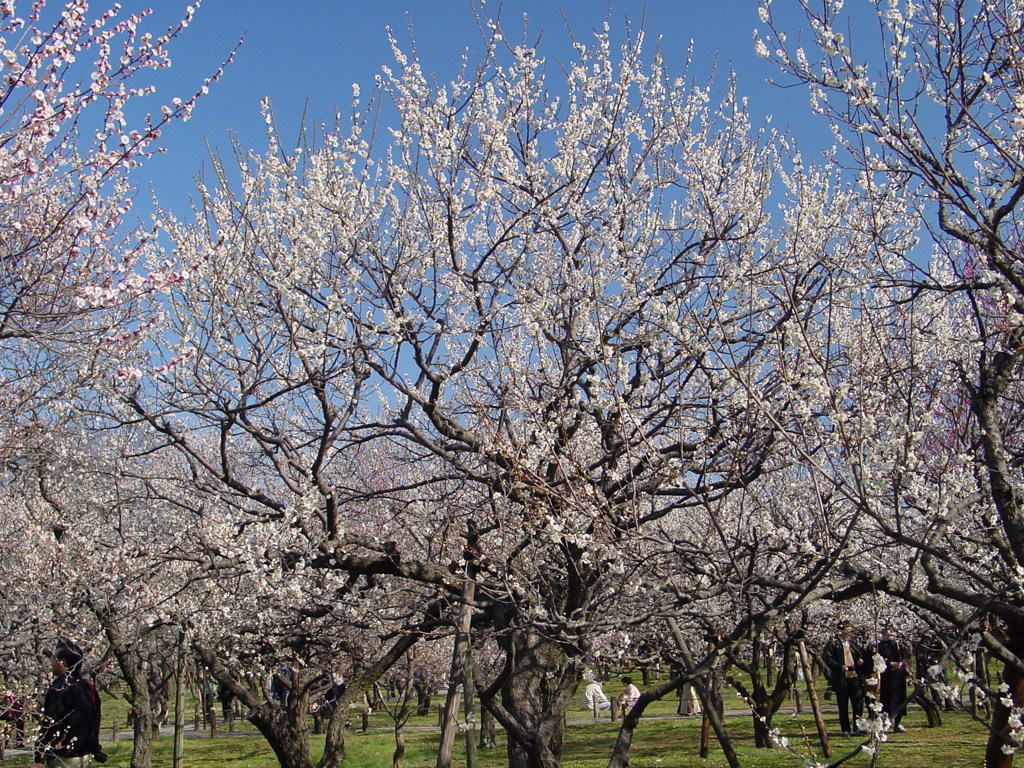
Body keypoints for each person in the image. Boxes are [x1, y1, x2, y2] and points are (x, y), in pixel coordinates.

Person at [35, 640, 106, 767]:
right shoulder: (88, 687)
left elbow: (51, 724)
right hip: (85, 756)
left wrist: (40, 755)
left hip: (63, 757)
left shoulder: (59, 689)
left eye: (53, 659)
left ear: (62, 662)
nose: (51, 663)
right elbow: (95, 719)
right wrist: (94, 747)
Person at [823, 623, 866, 737]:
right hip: (841, 678)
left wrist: (860, 659)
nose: (849, 633)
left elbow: (860, 653)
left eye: (850, 631)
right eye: (847, 631)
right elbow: (828, 659)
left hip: (854, 676)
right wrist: (839, 666)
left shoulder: (853, 642)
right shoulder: (833, 643)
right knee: (843, 705)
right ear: (841, 631)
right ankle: (845, 729)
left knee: (858, 703)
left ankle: (858, 727)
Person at [877, 627, 908, 732]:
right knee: (887, 699)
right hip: (887, 675)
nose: (889, 635)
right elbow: (878, 659)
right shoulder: (880, 646)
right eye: (886, 633)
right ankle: (886, 721)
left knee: (900, 698)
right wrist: (890, 663)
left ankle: (898, 723)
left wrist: (901, 663)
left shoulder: (898, 645)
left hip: (899, 675)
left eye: (891, 633)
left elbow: (905, 657)